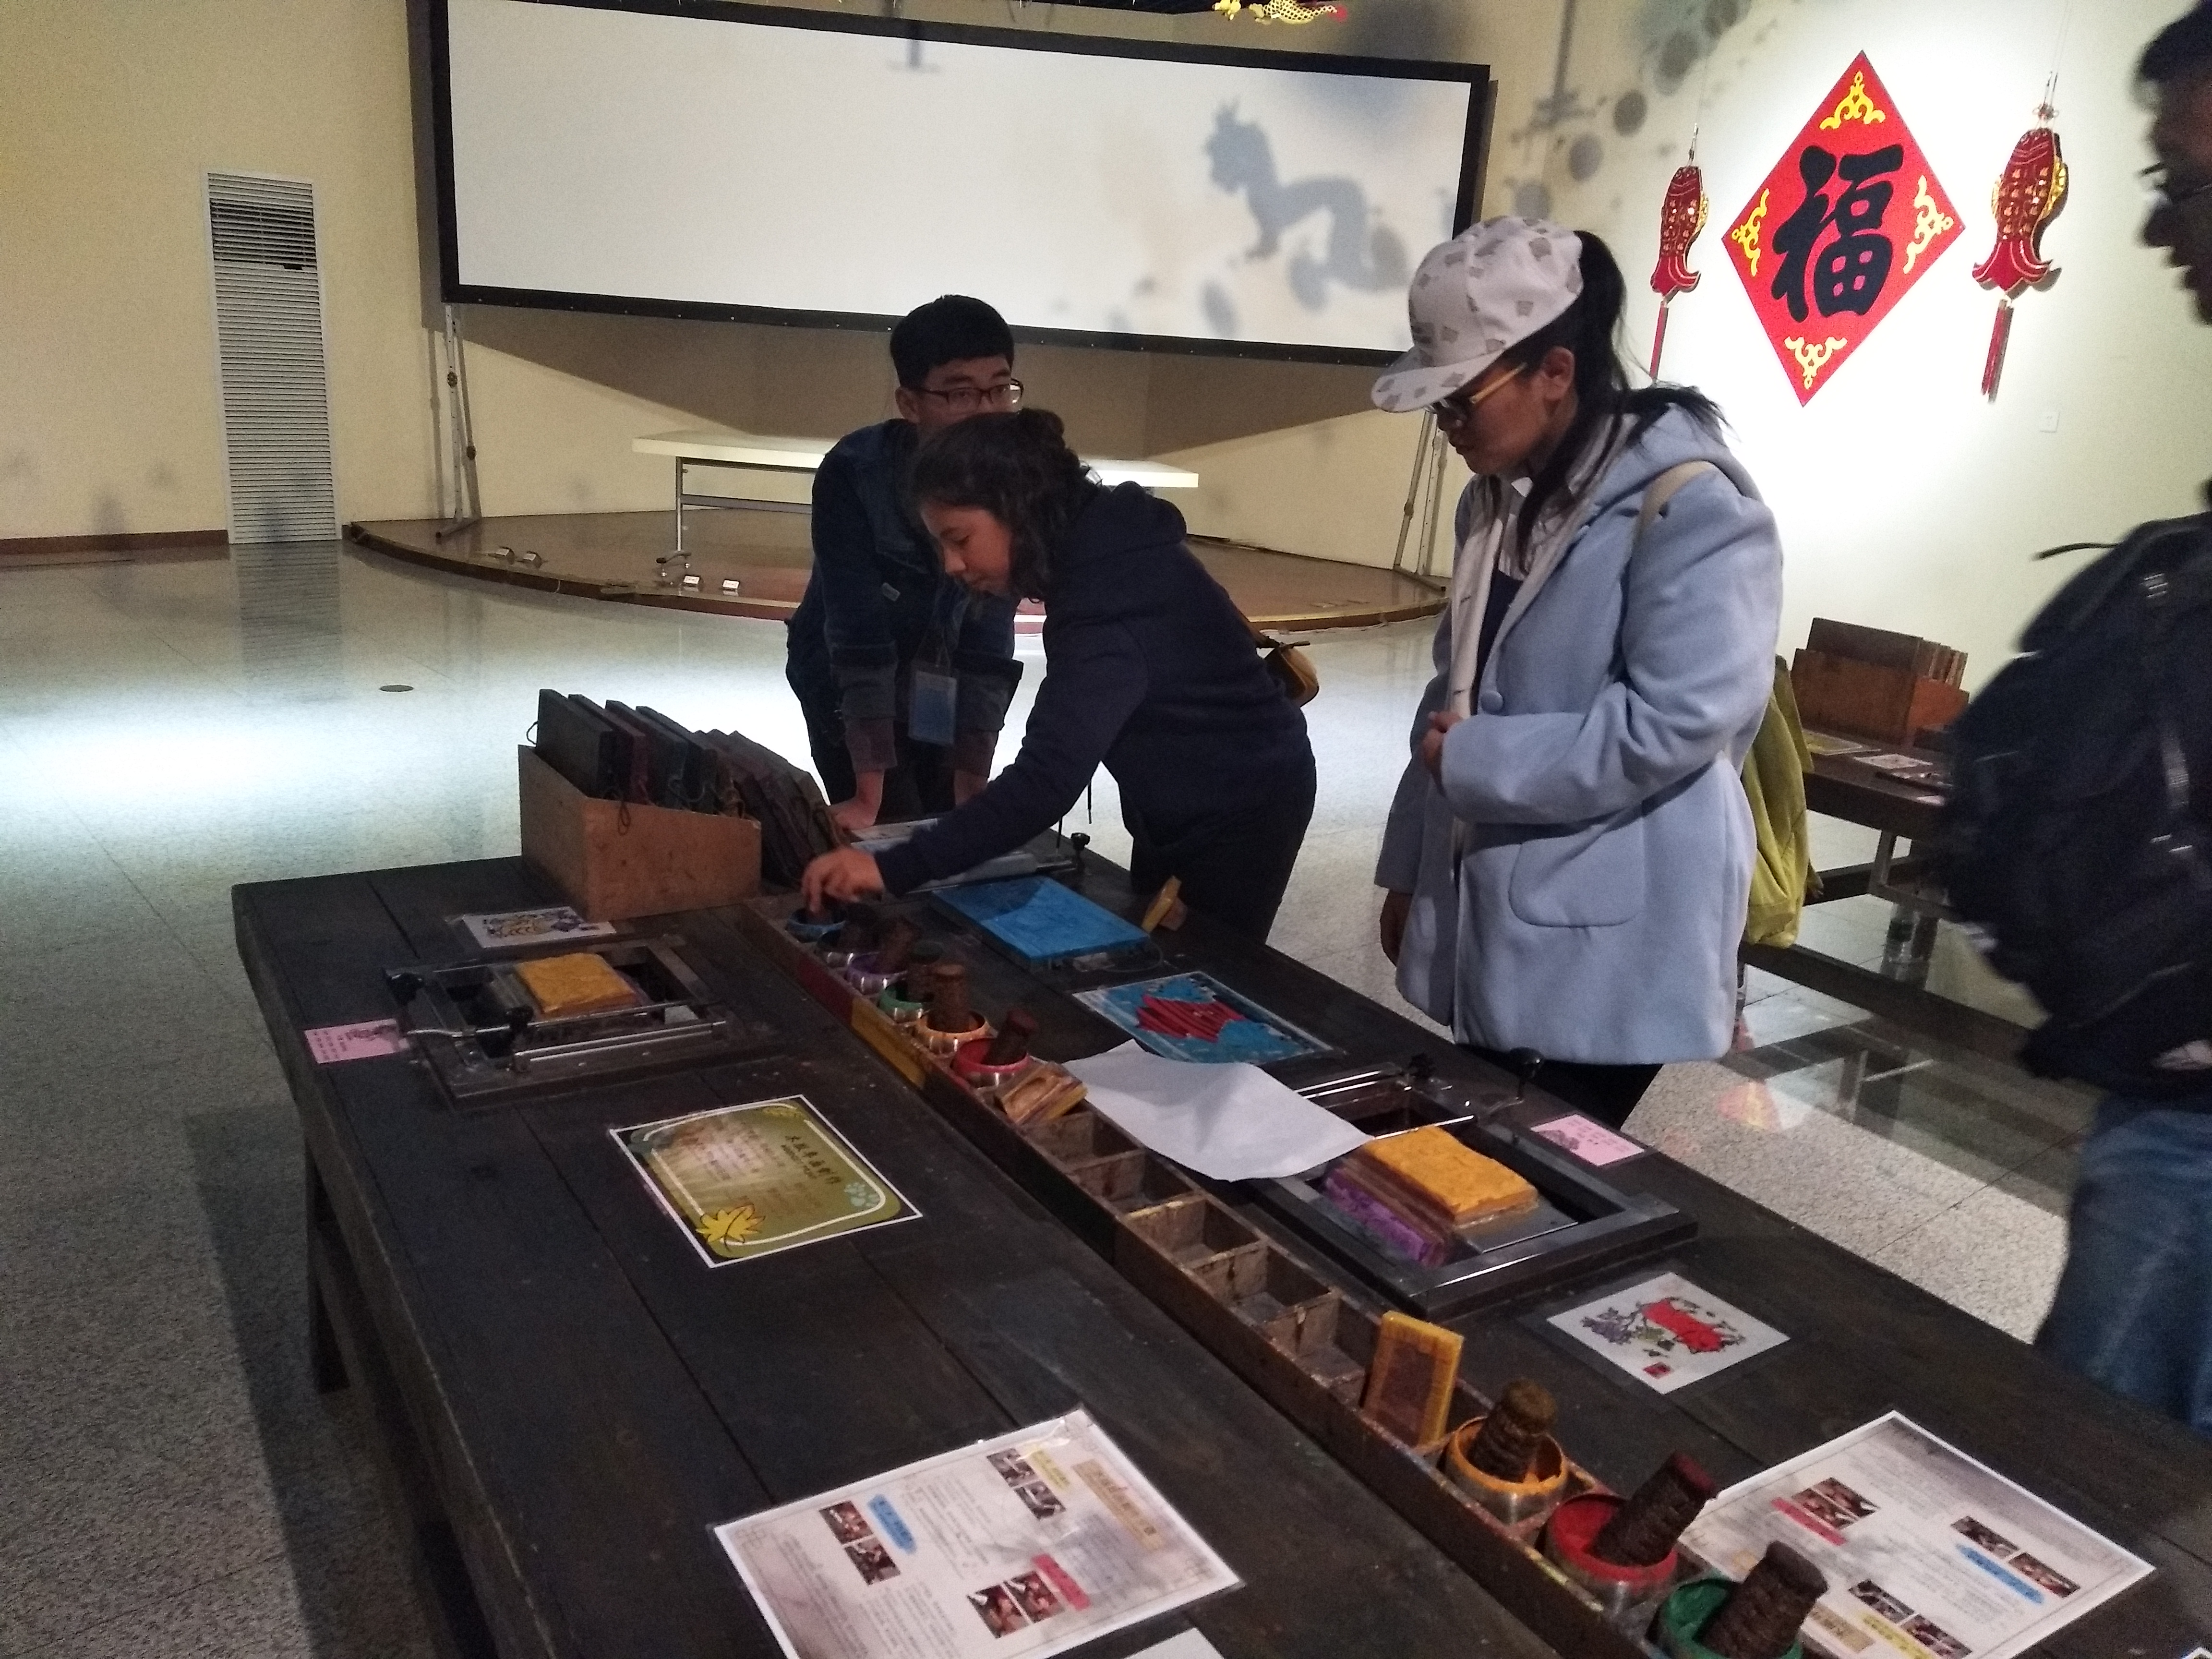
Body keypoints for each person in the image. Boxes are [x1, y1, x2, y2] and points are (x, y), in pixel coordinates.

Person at [1368, 217, 1782, 1128]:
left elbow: (1676, 722)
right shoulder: (1494, 500)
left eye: (1460, 401)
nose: (1447, 428)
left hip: (1614, 930)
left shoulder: (1691, 508)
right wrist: (1409, 871)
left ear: (1554, 372)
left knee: (1534, 1163)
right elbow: (1449, 696)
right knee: (1475, 1152)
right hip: (1495, 899)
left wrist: (1476, 763)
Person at [799, 409, 1315, 940]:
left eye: (960, 539)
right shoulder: (1102, 548)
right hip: (1181, 791)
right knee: (1157, 939)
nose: (951, 564)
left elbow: (1047, 779)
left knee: (1206, 965)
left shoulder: (1108, 600)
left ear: (1018, 510)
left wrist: (890, 867)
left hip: (1242, 805)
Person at [2031, 5, 2212, 1438]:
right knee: (2087, 1459)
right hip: (2174, 1086)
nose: (2160, 229)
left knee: (2098, 1466)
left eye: (2187, 185)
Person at [785, 296, 1025, 834]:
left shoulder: (1014, 479)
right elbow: (857, 631)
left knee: (948, 819)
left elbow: (989, 641)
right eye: (961, 394)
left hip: (946, 678)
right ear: (910, 403)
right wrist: (867, 795)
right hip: (844, 677)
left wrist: (973, 782)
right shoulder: (855, 473)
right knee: (886, 827)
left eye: (999, 389)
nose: (987, 412)